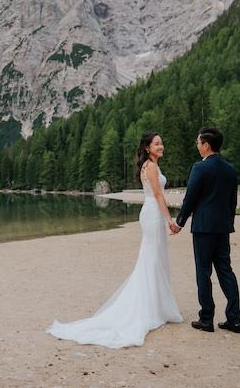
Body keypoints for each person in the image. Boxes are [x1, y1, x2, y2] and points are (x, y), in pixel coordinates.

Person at [46, 131, 182, 348]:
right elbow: (158, 195)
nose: (161, 146)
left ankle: (156, 306)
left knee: (152, 259)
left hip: (150, 212)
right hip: (154, 213)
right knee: (152, 259)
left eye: (161, 143)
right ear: (147, 147)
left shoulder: (148, 166)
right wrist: (169, 220)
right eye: (157, 144)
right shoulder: (152, 167)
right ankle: (151, 308)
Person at [171, 126, 240, 333]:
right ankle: (234, 319)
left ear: (206, 145)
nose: (197, 146)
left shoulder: (200, 168)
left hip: (203, 227)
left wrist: (180, 222)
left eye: (198, 142)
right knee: (225, 270)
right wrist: (228, 222)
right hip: (223, 227)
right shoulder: (230, 169)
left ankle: (206, 318)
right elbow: (232, 202)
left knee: (203, 271)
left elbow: (190, 198)